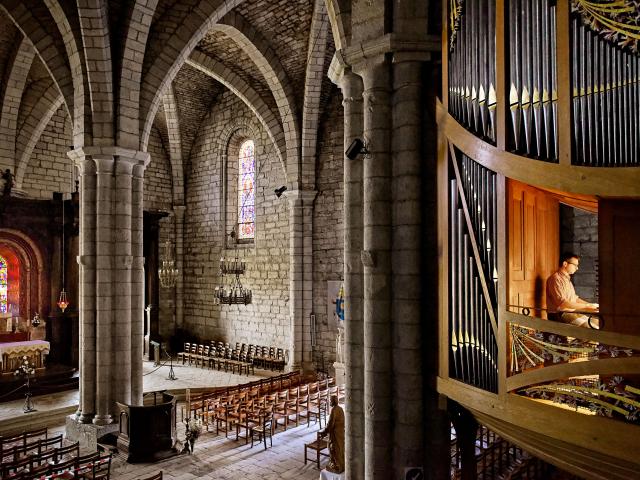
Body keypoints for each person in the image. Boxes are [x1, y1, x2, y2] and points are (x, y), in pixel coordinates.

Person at [546, 253, 599, 328]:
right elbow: (563, 304)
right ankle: (581, 339)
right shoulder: (555, 279)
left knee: (598, 323)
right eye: (575, 265)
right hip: (560, 314)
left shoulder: (567, 279)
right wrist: (587, 306)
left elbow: (575, 298)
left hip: (571, 312)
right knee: (590, 328)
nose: (577, 268)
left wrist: (592, 305)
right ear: (565, 264)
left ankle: (582, 339)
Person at [319, 395, 345, 474]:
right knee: (340, 448)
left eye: (330, 401)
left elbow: (330, 424)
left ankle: (336, 466)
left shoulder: (334, 410)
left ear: (333, 401)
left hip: (335, 434)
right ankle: (341, 464)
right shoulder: (340, 409)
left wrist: (324, 432)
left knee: (332, 448)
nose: (329, 402)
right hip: (340, 433)